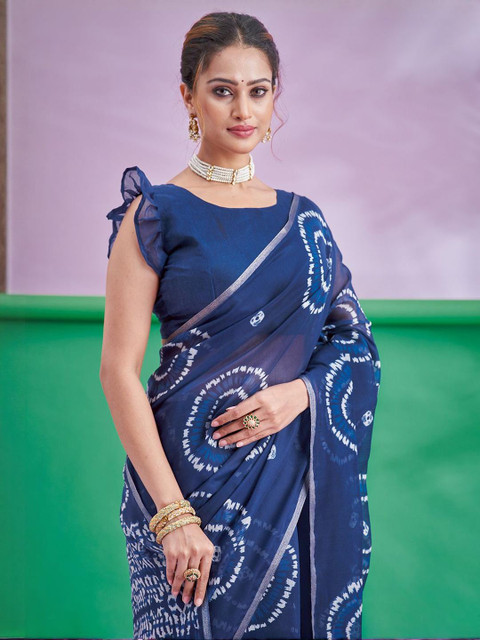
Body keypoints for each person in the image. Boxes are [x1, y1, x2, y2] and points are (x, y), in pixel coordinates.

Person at [100, 10, 381, 640]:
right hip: (184, 485)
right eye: (223, 90)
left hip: (289, 480)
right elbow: (117, 371)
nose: (243, 110)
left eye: (258, 91)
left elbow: (353, 342)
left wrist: (299, 394)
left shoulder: (304, 222)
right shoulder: (155, 213)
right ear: (188, 96)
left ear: (275, 94)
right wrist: (172, 516)